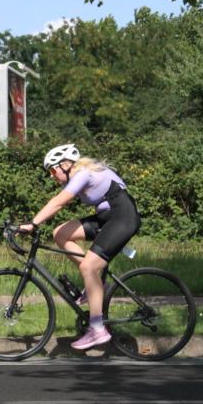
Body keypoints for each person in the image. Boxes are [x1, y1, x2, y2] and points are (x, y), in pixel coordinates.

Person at [18, 144, 141, 351]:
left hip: (122, 218)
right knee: (60, 233)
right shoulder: (81, 175)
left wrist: (32, 223)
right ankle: (92, 286)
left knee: (88, 268)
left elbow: (59, 202)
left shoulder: (83, 174)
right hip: (107, 218)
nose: (51, 176)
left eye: (52, 170)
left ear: (65, 165)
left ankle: (97, 329)